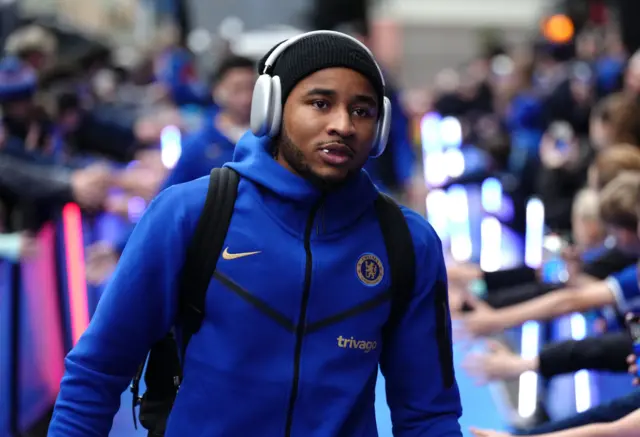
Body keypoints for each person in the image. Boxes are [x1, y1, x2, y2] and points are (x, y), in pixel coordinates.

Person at [48, 31, 462, 437]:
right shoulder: (190, 214)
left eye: (362, 110)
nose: (343, 125)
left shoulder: (407, 242)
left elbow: (429, 416)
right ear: (273, 109)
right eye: (320, 103)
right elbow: (97, 371)